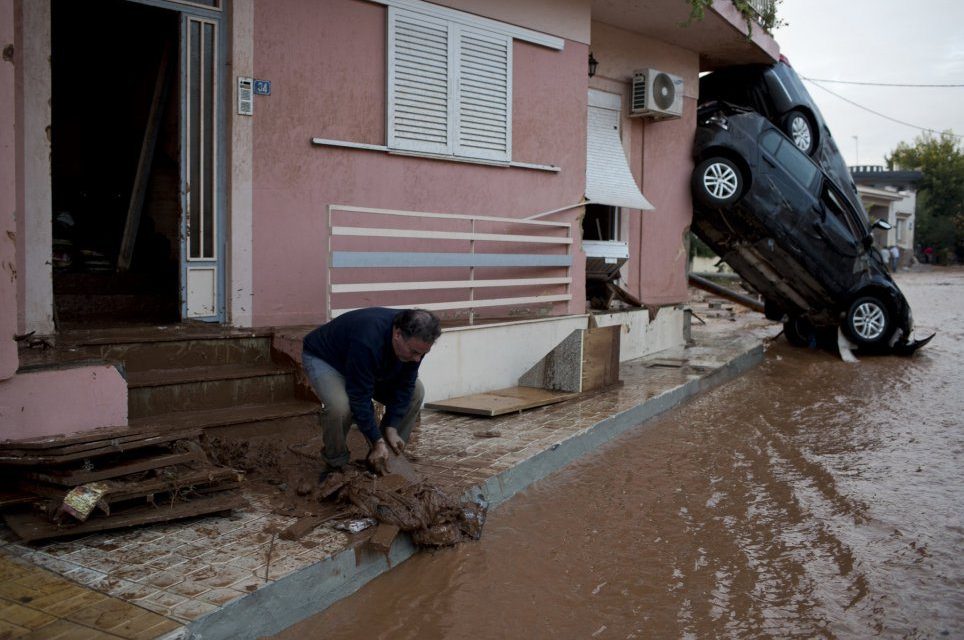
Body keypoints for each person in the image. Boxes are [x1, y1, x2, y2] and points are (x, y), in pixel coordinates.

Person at [302, 307, 441, 478]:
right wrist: (376, 439)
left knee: (416, 392)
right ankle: (335, 463)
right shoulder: (368, 339)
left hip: (364, 362)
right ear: (397, 334)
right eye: (414, 352)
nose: (417, 359)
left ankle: (384, 455)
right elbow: (360, 396)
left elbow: (406, 385)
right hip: (328, 359)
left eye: (422, 354)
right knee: (340, 407)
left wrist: (392, 426)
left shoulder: (416, 342)